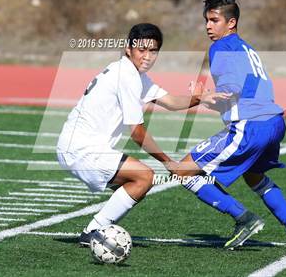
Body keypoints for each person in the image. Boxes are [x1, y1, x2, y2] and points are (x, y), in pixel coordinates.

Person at [56, 23, 229, 246]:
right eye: (142, 50)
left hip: (78, 147)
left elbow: (170, 102)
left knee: (136, 184)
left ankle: (95, 229)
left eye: (153, 51)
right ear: (128, 49)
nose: (147, 56)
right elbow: (137, 133)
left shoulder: (131, 73)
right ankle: (93, 231)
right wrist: (169, 163)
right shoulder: (126, 76)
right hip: (82, 150)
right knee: (144, 177)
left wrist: (199, 99)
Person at [167, 0, 286, 250]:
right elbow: (245, 94)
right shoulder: (247, 48)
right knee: (255, 177)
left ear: (231, 22)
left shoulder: (221, 47)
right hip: (274, 122)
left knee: (182, 171)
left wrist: (203, 96)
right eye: (206, 21)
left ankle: (243, 218)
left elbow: (231, 89)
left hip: (251, 126)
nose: (208, 27)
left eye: (214, 20)